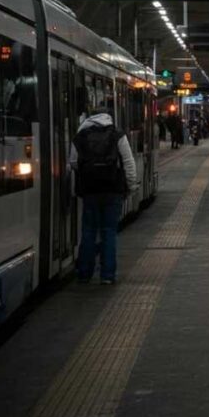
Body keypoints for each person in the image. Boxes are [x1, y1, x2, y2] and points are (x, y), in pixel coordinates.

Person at [69, 106, 138, 285]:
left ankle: (84, 273)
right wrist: (131, 186)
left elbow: (73, 162)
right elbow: (128, 162)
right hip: (113, 190)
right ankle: (107, 275)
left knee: (89, 231)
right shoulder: (117, 134)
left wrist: (89, 172)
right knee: (109, 233)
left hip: (90, 191)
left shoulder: (80, 135)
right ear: (108, 117)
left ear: (89, 117)